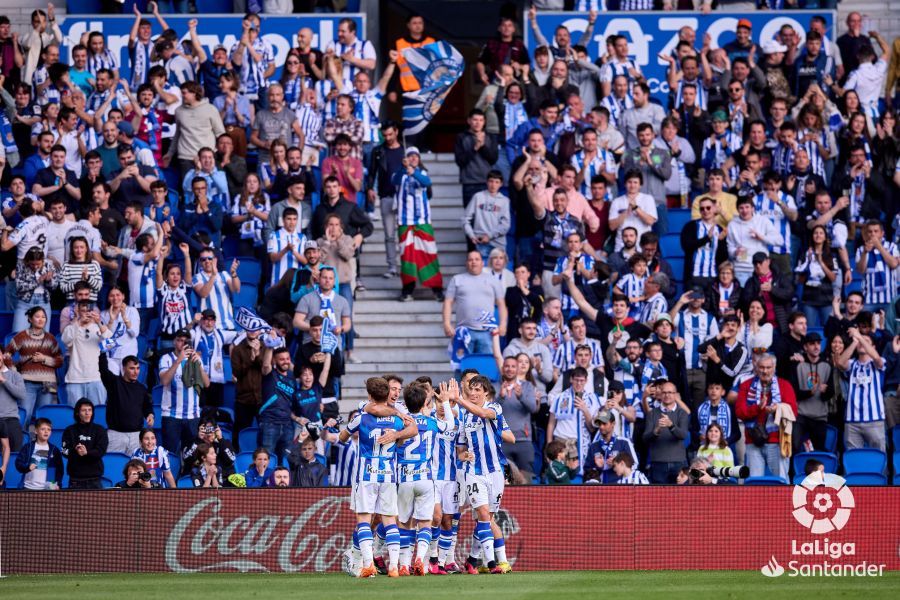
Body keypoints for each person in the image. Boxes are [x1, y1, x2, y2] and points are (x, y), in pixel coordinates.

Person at [340, 377, 418, 578]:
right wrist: (397, 433)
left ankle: (368, 565)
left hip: (365, 475)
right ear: (387, 394)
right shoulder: (398, 419)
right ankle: (393, 566)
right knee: (390, 520)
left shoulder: (361, 417)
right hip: (389, 475)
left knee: (364, 519)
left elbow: (342, 438)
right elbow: (412, 429)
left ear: (369, 395)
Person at [454, 375, 515, 575]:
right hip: (474, 472)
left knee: (487, 518)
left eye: (478, 390)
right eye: (471, 389)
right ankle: (491, 564)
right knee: (482, 514)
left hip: (495, 472)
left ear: (486, 393)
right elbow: (460, 449)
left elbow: (481, 413)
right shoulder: (463, 417)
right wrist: (464, 456)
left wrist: (459, 400)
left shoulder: (495, 408)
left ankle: (472, 560)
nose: (473, 393)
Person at [393, 382, 454, 576]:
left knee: (404, 523)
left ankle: (403, 565)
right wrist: (445, 402)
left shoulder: (401, 423)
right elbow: (450, 426)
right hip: (426, 479)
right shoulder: (432, 423)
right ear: (423, 405)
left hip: (404, 478)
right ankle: (420, 559)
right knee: (425, 523)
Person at [735, 354, 798, 481]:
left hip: (777, 441)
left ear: (774, 368)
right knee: (754, 483)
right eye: (762, 367)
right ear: (756, 368)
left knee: (781, 481)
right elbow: (739, 412)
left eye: (768, 367)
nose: (765, 371)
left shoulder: (784, 385)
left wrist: (777, 410)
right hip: (753, 440)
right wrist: (758, 408)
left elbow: (793, 412)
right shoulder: (746, 386)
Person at [393, 147, 443, 302]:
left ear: (419, 159)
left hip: (422, 222)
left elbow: (426, 182)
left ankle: (437, 289)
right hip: (405, 223)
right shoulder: (400, 174)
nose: (413, 158)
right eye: (410, 156)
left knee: (429, 255)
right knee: (407, 259)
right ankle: (407, 290)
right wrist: (403, 168)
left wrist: (413, 171)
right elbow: (393, 181)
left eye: (416, 156)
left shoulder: (422, 173)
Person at [5, 307, 62, 426]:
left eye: (43, 317)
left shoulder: (50, 338)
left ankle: (41, 445)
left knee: (45, 420)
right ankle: (22, 443)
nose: (41, 319)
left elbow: (60, 360)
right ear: (30, 319)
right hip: (27, 383)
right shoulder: (21, 336)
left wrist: (44, 359)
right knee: (24, 416)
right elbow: (6, 355)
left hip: (48, 384)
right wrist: (14, 372)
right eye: (37, 316)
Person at [443, 251, 508, 350]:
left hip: (488, 332)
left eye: (477, 259)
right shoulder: (457, 279)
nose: (474, 262)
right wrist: (447, 323)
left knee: (485, 364)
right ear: (466, 263)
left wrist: (503, 324)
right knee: (463, 364)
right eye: (470, 260)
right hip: (464, 331)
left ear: (483, 263)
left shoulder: (493, 280)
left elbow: (501, 304)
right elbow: (448, 302)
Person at [159, 329, 208, 456]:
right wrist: (178, 360)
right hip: (171, 415)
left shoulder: (195, 358)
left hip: (193, 415)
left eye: (186, 341)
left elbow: (207, 384)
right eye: (180, 340)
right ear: (174, 342)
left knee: (191, 455)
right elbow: (164, 381)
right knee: (170, 454)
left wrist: (199, 364)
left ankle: (188, 476)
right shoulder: (166, 358)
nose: (183, 343)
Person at [836, 329, 887, 451]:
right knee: (853, 459)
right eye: (860, 341)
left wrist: (859, 336)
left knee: (878, 457)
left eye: (866, 342)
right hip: (852, 421)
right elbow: (840, 363)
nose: (861, 343)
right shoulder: (852, 364)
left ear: (873, 346)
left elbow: (877, 358)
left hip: (874, 420)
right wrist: (855, 342)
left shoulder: (878, 362)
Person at [496, 357, 539, 482]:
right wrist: (501, 397)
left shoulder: (527, 386)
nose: (510, 369)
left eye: (513, 366)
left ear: (518, 369)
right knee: (504, 481)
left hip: (523, 441)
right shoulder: (495, 386)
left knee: (526, 480)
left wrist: (521, 397)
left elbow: (533, 408)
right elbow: (489, 411)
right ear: (503, 368)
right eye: (507, 366)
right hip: (502, 441)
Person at [62, 300, 112, 406]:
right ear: (78, 312)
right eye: (83, 311)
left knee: (97, 414)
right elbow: (66, 340)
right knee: (75, 415)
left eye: (88, 310)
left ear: (94, 312)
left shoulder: (99, 328)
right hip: (75, 379)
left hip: (96, 378)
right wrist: (78, 323)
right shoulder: (71, 328)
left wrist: (99, 322)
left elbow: (109, 346)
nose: (86, 313)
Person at [642, 380, 689, 484]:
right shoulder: (652, 413)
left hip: (678, 462)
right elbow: (645, 438)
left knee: (679, 497)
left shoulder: (682, 413)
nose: (667, 395)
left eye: (670, 392)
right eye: (664, 392)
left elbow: (683, 435)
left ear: (675, 394)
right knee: (659, 498)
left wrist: (671, 425)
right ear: (660, 394)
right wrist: (656, 431)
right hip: (658, 463)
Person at [455, 109, 499, 208]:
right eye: (475, 120)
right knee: (470, 216)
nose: (478, 123)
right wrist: (475, 148)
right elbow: (460, 161)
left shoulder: (490, 137)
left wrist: (482, 146)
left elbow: (493, 159)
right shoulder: (461, 137)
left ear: (484, 122)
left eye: (481, 120)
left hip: (487, 182)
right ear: (469, 121)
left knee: (487, 216)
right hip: (469, 183)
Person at [61, 398, 108, 489]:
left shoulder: (100, 430)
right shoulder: (69, 430)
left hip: (95, 479)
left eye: (90, 410)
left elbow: (101, 451)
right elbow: (64, 451)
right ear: (77, 413)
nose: (87, 413)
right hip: (75, 479)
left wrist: (87, 453)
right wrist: (75, 451)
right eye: (84, 410)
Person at [464, 170, 510, 262]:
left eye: (496, 182)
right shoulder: (478, 197)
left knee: (498, 273)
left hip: (498, 244)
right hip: (481, 243)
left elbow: (506, 224)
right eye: (491, 181)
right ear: (487, 182)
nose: (493, 185)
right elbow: (465, 219)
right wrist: (472, 235)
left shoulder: (504, 200)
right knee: (483, 273)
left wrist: (489, 235)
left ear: (501, 184)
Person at [588, 409, 638, 484]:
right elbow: (587, 470)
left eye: (604, 424)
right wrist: (599, 467)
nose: (601, 427)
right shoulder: (594, 446)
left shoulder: (624, 442)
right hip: (600, 489)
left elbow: (635, 465)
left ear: (613, 424)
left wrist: (617, 464)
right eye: (599, 424)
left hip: (620, 487)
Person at [16, 417, 64, 490]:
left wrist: (58, 484)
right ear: (36, 431)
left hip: (48, 488)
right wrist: (27, 467)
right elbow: (18, 463)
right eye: (43, 429)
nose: (46, 432)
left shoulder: (54, 450)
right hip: (28, 487)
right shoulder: (28, 447)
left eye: (49, 429)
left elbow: (59, 470)